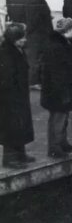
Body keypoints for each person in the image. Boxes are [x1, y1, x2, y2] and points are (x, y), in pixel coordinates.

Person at [40, 18, 72, 158]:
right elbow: (58, 72)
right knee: (58, 118)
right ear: (67, 31)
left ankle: (62, 143)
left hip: (57, 89)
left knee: (61, 117)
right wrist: (63, 92)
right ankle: (55, 147)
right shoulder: (59, 47)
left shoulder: (56, 44)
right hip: (59, 90)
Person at [0, 23, 35, 169]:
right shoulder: (6, 54)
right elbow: (7, 78)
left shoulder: (17, 50)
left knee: (20, 124)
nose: (25, 40)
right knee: (11, 126)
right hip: (10, 97)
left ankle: (20, 153)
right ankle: (9, 158)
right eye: (21, 37)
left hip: (19, 95)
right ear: (14, 39)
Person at [24, 0, 53, 88]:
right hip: (37, 33)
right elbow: (34, 19)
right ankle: (33, 81)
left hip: (38, 32)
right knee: (35, 57)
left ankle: (35, 80)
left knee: (36, 56)